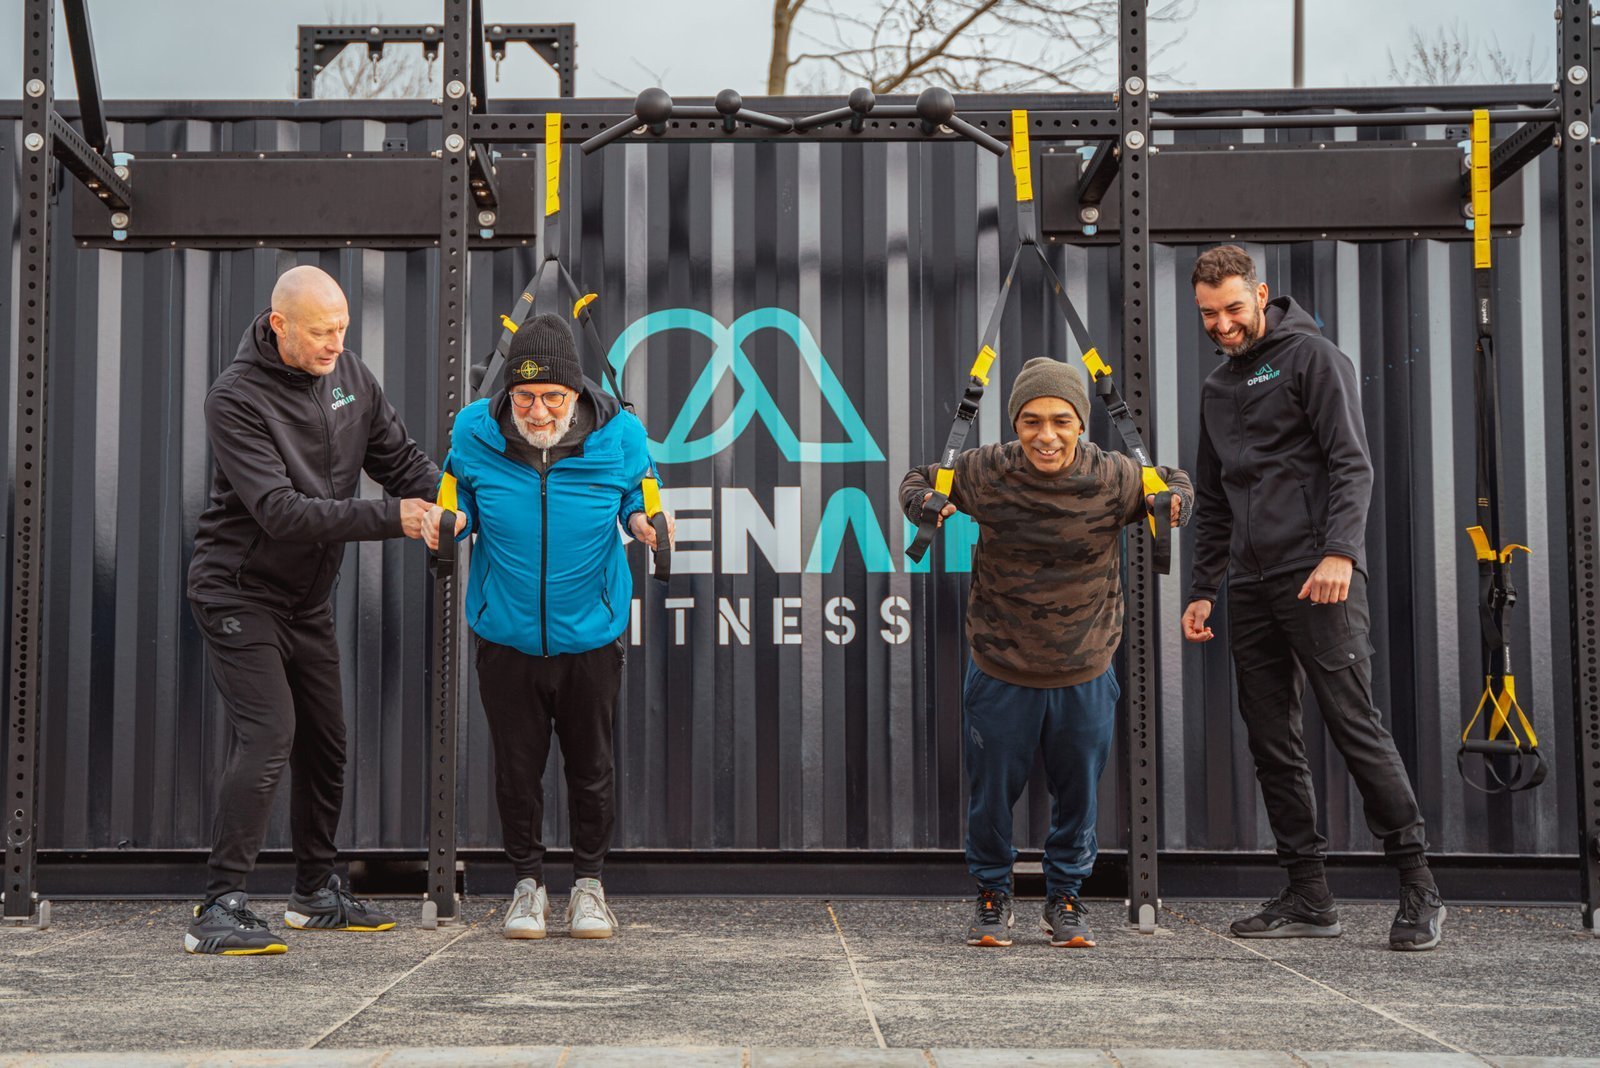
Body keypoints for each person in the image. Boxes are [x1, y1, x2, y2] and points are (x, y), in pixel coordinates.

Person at [1181, 244, 1445, 951]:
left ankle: (1419, 884)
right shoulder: (1216, 387)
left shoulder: (1313, 359)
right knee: (1271, 739)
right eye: (1208, 314)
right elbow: (1214, 497)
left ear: (1260, 294)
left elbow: (1352, 464)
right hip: (1251, 584)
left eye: (1232, 308)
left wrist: (1340, 552)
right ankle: (1308, 893)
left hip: (1319, 573)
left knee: (1354, 723)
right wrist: (1203, 588)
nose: (1222, 325)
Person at [184, 265, 441, 955]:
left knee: (327, 742)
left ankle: (315, 894)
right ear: (280, 325)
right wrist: (396, 518)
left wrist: (450, 499)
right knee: (270, 734)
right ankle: (219, 906)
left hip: (306, 601)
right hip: (238, 592)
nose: (336, 343)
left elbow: (400, 461)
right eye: (322, 331)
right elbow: (280, 512)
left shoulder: (349, 375)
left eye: (342, 329)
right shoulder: (235, 398)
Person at [900, 357, 1192, 948]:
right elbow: (916, 480)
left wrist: (1174, 504)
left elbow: (1175, 481)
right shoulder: (986, 470)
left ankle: (1065, 897)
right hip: (1000, 667)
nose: (1046, 436)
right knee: (990, 798)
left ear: (1081, 422)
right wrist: (923, 504)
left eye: (1061, 420)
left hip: (1085, 669)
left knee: (1078, 797)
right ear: (1015, 423)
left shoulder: (1114, 475)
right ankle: (992, 894)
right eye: (1031, 421)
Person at [425, 313, 672, 941]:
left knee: (592, 769)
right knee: (517, 771)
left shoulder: (621, 433)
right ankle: (527, 886)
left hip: (590, 635)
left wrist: (643, 523)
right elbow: (458, 493)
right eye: (525, 396)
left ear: (577, 392)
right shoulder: (472, 431)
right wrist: (453, 521)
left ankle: (589, 886)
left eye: (553, 397)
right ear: (508, 391)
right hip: (505, 635)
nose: (538, 411)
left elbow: (640, 492)